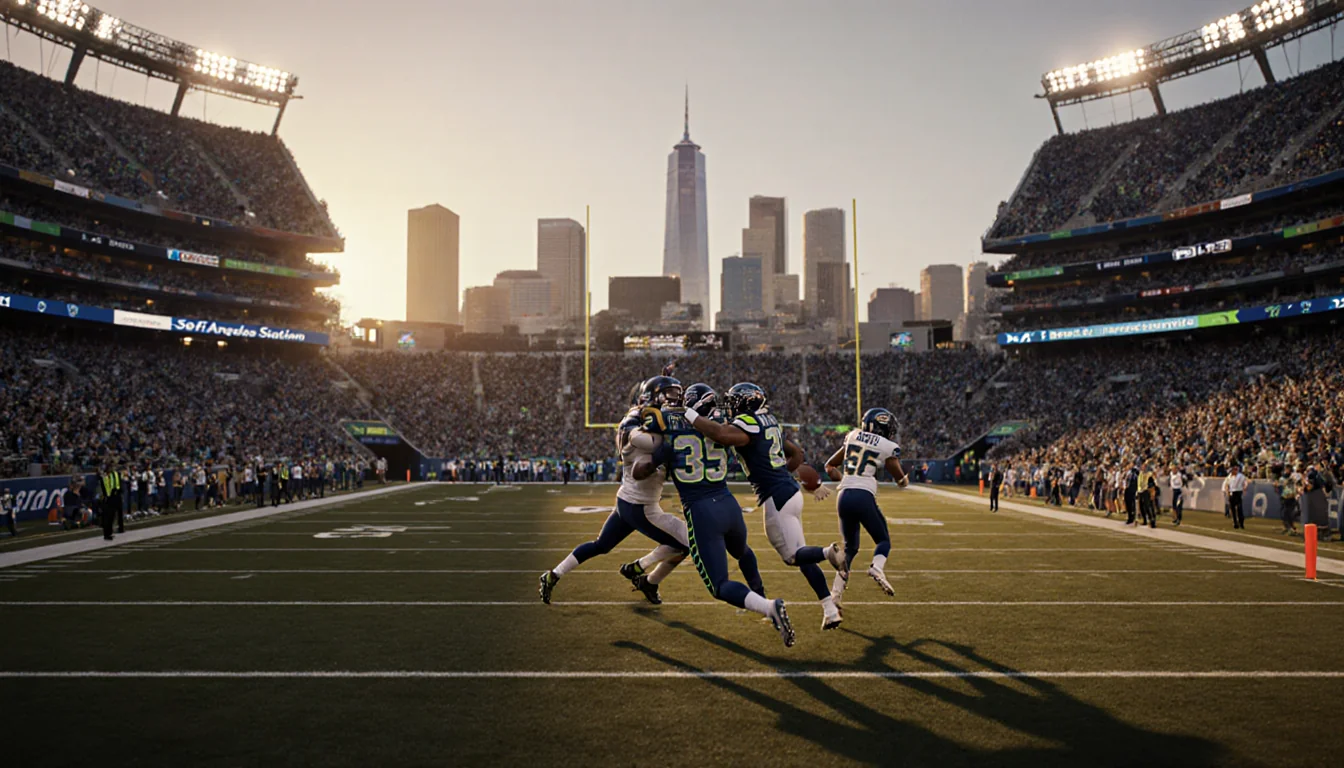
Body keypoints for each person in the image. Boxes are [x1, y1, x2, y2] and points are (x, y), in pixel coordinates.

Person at [635, 377, 794, 646]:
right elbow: (719, 431)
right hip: (728, 505)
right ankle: (760, 593)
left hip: (701, 512)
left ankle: (769, 607)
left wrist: (657, 457)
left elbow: (640, 471)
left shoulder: (672, 430)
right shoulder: (721, 428)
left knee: (719, 586)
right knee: (742, 551)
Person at [680, 381, 841, 632]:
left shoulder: (749, 422)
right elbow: (797, 454)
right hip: (789, 491)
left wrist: (688, 413)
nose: (731, 407)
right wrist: (781, 474)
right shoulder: (770, 420)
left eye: (734, 402)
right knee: (801, 555)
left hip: (776, 496)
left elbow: (721, 434)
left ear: (746, 402)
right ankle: (830, 609)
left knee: (791, 556)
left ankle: (828, 552)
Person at [538, 379, 689, 606]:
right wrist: (666, 449)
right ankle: (642, 572)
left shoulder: (644, 421)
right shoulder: (641, 433)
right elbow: (645, 453)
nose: (675, 400)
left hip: (625, 501)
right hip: (642, 507)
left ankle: (553, 574)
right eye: (669, 394)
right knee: (686, 544)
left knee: (601, 545)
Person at [823, 407, 909, 618]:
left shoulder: (852, 435)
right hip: (863, 495)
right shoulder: (887, 445)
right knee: (883, 540)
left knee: (849, 549)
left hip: (843, 496)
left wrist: (843, 478)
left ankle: (835, 597)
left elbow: (829, 466)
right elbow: (898, 476)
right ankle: (877, 567)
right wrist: (903, 481)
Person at [1223, 464, 1248, 529]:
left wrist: (1244, 488)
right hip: (1232, 493)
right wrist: (1227, 492)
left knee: (1239, 508)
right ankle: (1235, 522)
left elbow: (1245, 482)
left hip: (1238, 492)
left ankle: (1241, 522)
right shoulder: (1229, 477)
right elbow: (1226, 485)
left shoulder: (1240, 476)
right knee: (1233, 509)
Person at [1278, 466, 1301, 536]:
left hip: (1291, 497)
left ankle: (1291, 528)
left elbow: (1298, 483)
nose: (1287, 471)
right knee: (1284, 514)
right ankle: (1288, 528)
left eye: (1288, 469)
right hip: (1285, 497)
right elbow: (1282, 485)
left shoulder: (1294, 477)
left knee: (1290, 514)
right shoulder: (1282, 478)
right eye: (1286, 469)